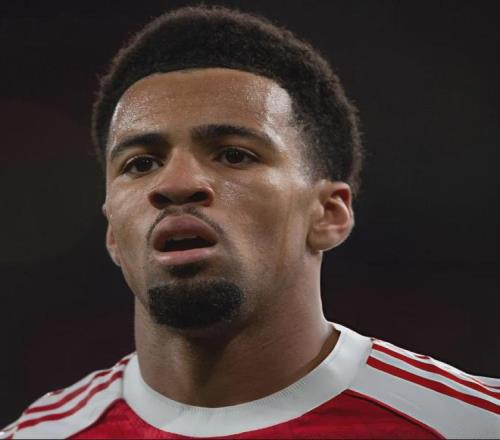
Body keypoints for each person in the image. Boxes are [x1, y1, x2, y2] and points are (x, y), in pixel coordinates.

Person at [2, 5, 499, 439]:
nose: (175, 183)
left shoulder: (473, 425)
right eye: (141, 163)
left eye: (234, 155)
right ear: (113, 232)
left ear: (328, 213)